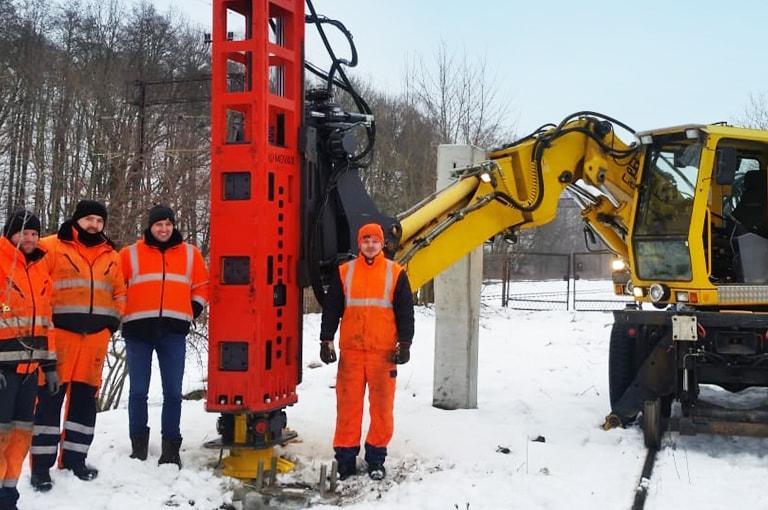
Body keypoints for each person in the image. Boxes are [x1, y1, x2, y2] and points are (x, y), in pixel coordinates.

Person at [30, 200, 125, 491]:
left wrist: (112, 324)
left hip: (95, 340)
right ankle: (41, 468)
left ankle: (75, 459)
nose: (94, 225)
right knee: (48, 400)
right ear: (77, 220)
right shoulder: (51, 247)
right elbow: (36, 286)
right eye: (89, 219)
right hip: (59, 337)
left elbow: (120, 292)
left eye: (99, 220)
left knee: (84, 404)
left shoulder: (112, 255)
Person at [319, 223, 414, 481]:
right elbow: (332, 309)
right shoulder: (345, 272)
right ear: (359, 244)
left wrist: (405, 344)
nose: (370, 245)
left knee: (382, 410)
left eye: (375, 241)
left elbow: (405, 312)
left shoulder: (395, 273)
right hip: (351, 354)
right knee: (348, 408)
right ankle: (346, 460)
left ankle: (376, 459)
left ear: (382, 244)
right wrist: (325, 340)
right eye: (365, 240)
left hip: (383, 354)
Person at [119, 205, 208, 468]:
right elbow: (114, 287)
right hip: (138, 332)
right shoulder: (129, 254)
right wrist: (122, 313)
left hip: (173, 332)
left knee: (172, 392)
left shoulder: (190, 254)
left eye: (168, 224)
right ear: (150, 226)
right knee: (138, 392)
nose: (164, 229)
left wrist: (193, 309)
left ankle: (171, 447)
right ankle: (139, 446)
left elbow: (203, 286)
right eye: (159, 224)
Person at [0, 209, 59, 510]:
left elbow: (45, 323)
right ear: (11, 234)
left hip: (30, 371)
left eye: (35, 234)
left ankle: (9, 495)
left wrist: (49, 366)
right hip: (4, 370)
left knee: (20, 438)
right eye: (24, 233)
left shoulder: (40, 270)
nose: (30, 238)